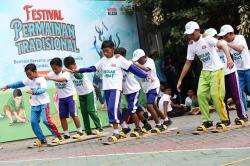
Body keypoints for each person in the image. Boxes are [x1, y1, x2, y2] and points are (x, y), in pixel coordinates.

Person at [71, 40, 152, 142]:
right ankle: (125, 127)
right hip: (106, 89)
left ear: (113, 50)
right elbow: (92, 68)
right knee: (115, 110)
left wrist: (145, 75)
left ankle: (116, 132)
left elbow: (132, 68)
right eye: (103, 51)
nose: (105, 53)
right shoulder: (103, 60)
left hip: (115, 89)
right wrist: (79, 70)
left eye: (107, 51)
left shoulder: (119, 59)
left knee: (111, 109)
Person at [177, 21, 234, 131]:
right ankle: (207, 121)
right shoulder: (191, 45)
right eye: (188, 34)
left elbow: (222, 44)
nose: (190, 36)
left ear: (198, 30)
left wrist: (229, 58)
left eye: (192, 33)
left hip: (216, 70)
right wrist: (180, 79)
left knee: (215, 95)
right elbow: (188, 63)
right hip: (205, 71)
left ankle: (225, 120)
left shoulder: (207, 38)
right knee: (201, 95)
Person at [1, 64, 61, 145]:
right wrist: (8, 86)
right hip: (35, 104)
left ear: (35, 71)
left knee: (46, 121)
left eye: (30, 74)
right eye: (27, 75)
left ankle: (58, 137)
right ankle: (42, 139)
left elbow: (43, 89)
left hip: (44, 103)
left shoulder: (42, 79)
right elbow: (18, 83)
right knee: (33, 121)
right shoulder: (28, 80)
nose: (28, 76)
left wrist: (34, 92)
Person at [205, 28, 248, 121]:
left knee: (236, 96)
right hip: (218, 75)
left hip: (230, 72)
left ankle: (242, 116)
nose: (214, 38)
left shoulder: (222, 43)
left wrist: (229, 58)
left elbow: (231, 47)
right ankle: (226, 119)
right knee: (222, 98)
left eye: (215, 36)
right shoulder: (207, 47)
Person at [115, 47, 152, 136]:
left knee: (132, 110)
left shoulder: (128, 63)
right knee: (137, 109)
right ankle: (146, 124)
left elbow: (134, 70)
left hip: (134, 90)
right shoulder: (117, 64)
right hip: (127, 91)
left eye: (117, 56)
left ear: (122, 56)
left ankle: (138, 128)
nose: (115, 57)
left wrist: (145, 75)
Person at [63, 56, 103, 135]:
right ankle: (88, 130)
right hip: (80, 94)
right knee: (84, 112)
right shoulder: (68, 71)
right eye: (68, 68)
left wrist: (70, 71)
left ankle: (99, 128)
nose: (70, 69)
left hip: (89, 92)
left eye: (71, 67)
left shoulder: (80, 68)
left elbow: (79, 76)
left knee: (91, 111)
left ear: (74, 64)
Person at [132, 49, 171, 128]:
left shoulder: (150, 61)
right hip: (147, 88)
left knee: (149, 106)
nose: (138, 61)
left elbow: (147, 69)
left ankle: (158, 124)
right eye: (137, 60)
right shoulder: (138, 64)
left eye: (139, 59)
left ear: (143, 57)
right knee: (154, 106)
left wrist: (136, 64)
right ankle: (166, 120)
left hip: (154, 86)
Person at [46, 58, 83, 139]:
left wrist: (51, 78)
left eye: (56, 68)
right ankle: (66, 133)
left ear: (60, 66)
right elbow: (45, 78)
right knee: (62, 116)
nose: (54, 70)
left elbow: (62, 80)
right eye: (53, 68)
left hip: (71, 96)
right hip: (62, 98)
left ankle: (80, 131)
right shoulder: (52, 73)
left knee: (73, 113)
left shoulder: (65, 72)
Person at [218, 24, 250, 113]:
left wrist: (227, 44)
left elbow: (240, 49)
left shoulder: (240, 37)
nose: (224, 37)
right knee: (239, 91)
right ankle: (244, 113)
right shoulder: (225, 42)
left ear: (231, 33)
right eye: (223, 36)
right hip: (238, 70)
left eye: (226, 35)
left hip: (248, 68)